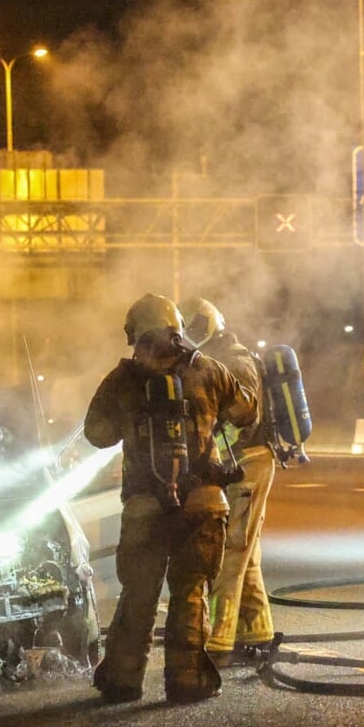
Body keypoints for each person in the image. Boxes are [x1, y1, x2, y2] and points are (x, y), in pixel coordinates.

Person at [85, 294, 257, 703]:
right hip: (203, 503)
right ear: (177, 329)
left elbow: (97, 434)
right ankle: (187, 680)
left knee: (139, 594)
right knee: (191, 592)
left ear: (134, 335)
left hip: (144, 507)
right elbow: (246, 412)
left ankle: (123, 680)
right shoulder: (208, 369)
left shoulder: (123, 379)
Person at [183, 297, 278, 664]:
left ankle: (218, 642)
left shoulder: (235, 362)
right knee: (246, 553)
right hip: (241, 464)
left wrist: (203, 450)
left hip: (249, 463)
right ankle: (257, 632)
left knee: (229, 552)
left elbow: (243, 423)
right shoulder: (212, 360)